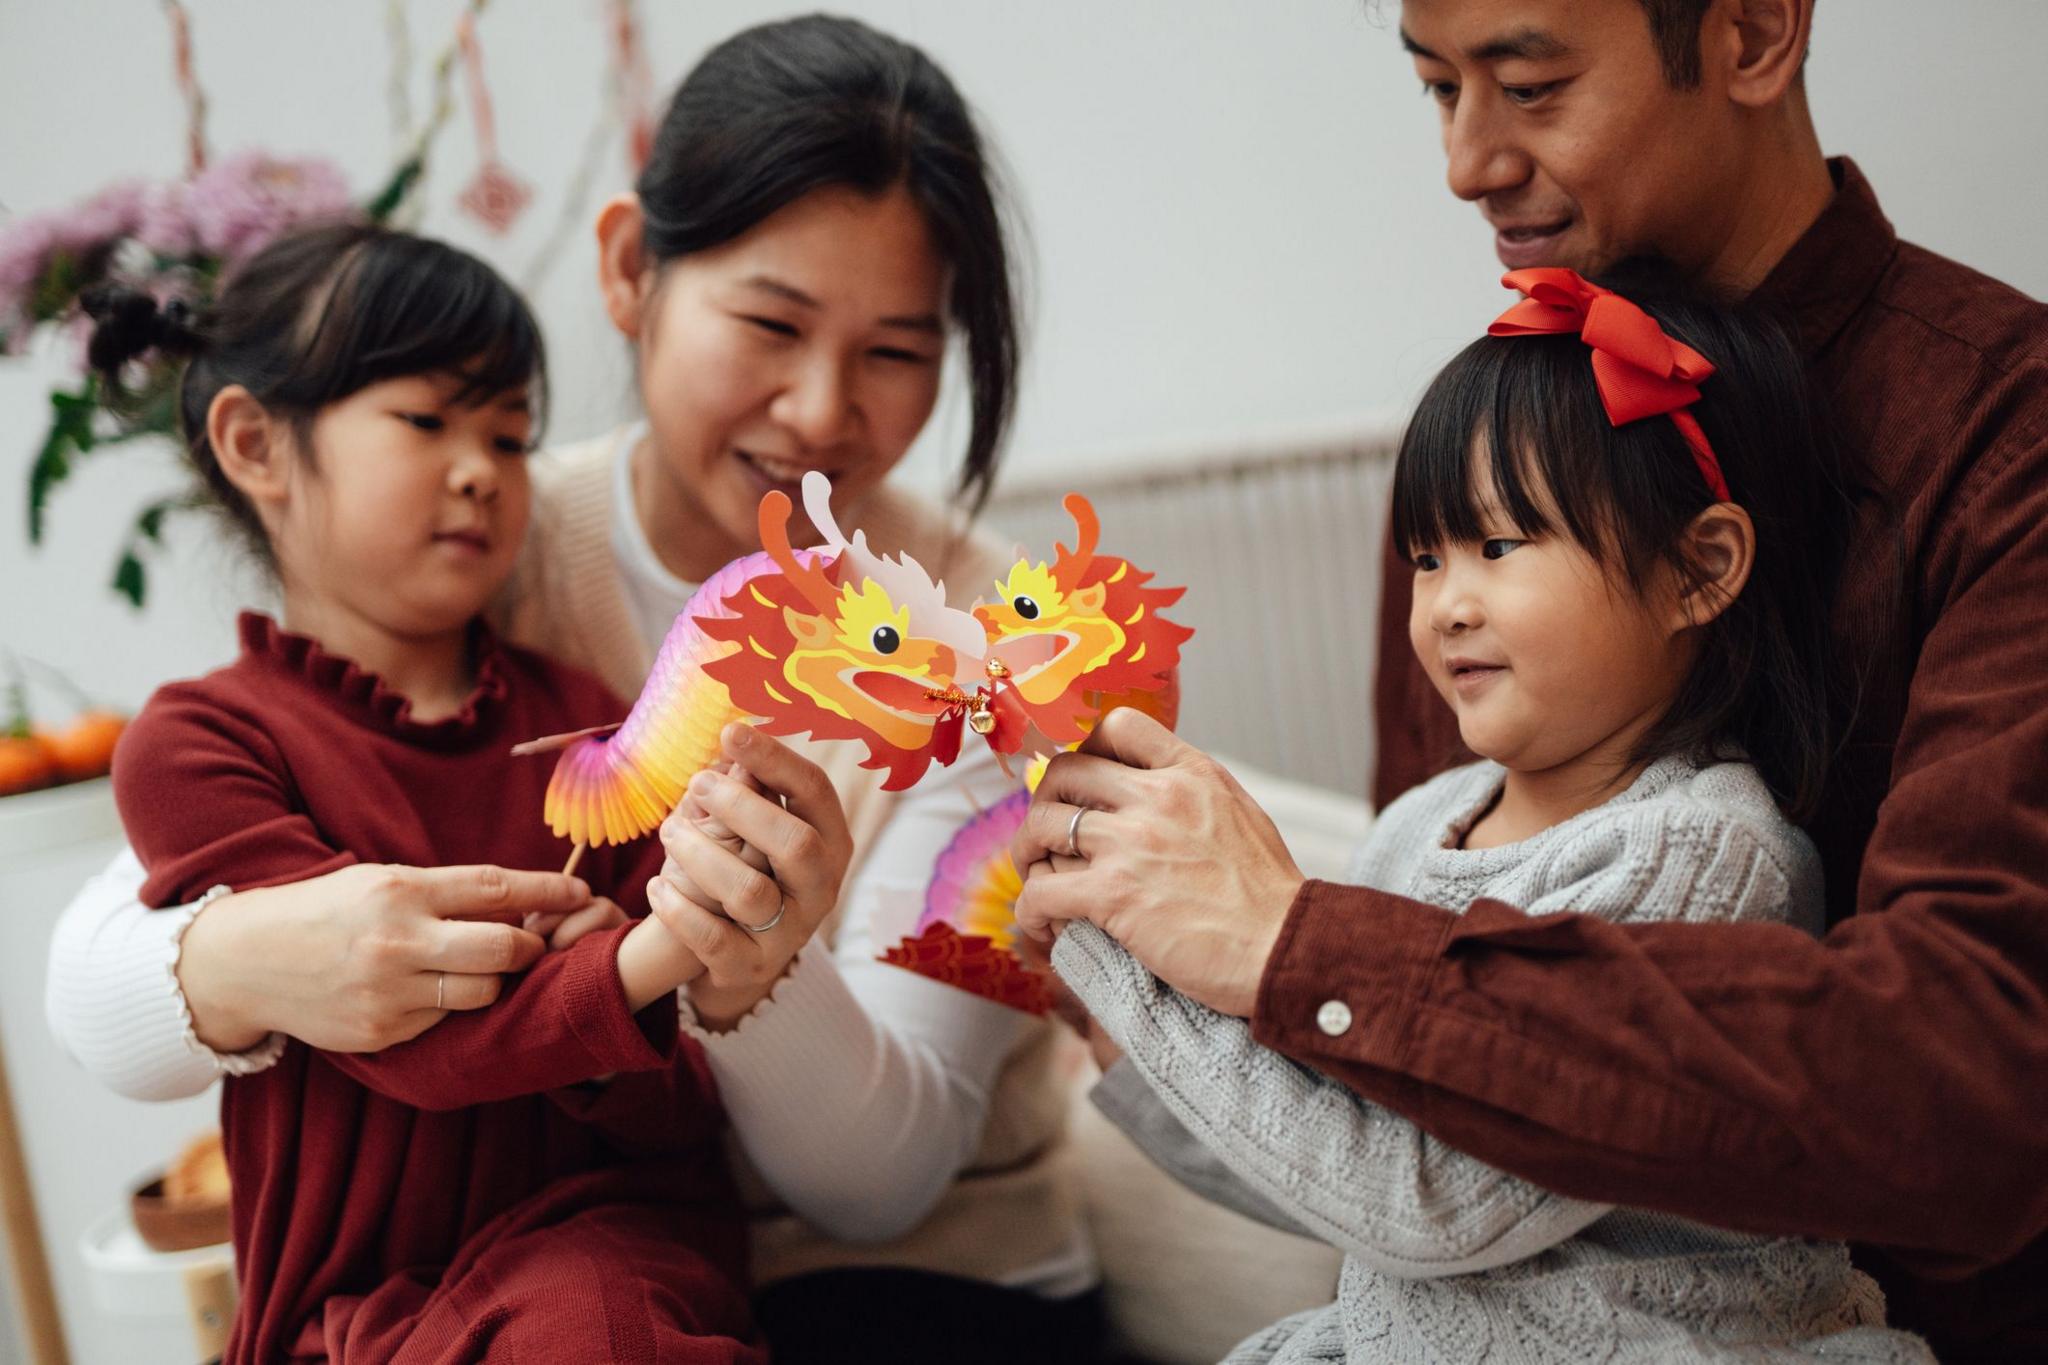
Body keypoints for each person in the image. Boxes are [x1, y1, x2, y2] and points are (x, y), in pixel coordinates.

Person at [51, 17, 1103, 1363]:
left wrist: (737, 956)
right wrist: (246, 954)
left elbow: (881, 1184)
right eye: (771, 322)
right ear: (628, 272)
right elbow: (107, 968)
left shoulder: (1000, 652)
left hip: (919, 1285)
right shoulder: (470, 538)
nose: (822, 409)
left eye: (896, 352)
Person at [1012, 0, 2048, 1358]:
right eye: (1439, 88)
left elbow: (1967, 1086)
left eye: (1529, 82)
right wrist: (1142, 996)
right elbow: (1386, 1091)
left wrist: (1284, 941)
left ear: (1750, 33)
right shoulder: (1487, 449)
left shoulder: (2002, 437)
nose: (1466, 162)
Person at [1055, 269, 1929, 1361]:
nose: (1445, 603)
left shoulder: (1697, 854)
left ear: (1695, 572)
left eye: (1498, 547)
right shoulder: (1416, 829)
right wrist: (1115, 1030)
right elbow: (1334, 1167)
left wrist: (1136, 985)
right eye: (1425, 557)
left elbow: (1430, 1207)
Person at [94, 221, 766, 1362]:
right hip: (340, 1304)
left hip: (601, 1252)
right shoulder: (197, 744)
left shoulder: (589, 725)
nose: (481, 471)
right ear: (256, 444)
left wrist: (647, 997)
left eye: (509, 438)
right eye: (427, 421)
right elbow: (390, 1022)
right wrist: (644, 958)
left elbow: (681, 1107)